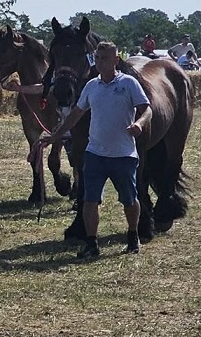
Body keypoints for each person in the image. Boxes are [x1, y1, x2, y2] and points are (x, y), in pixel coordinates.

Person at [40, 41, 149, 258]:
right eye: (97, 58)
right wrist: (55, 135)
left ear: (115, 60)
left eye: (105, 58)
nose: (100, 62)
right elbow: (76, 114)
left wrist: (140, 123)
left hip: (123, 154)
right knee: (90, 200)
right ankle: (92, 243)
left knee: (129, 199)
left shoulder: (128, 84)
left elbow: (146, 109)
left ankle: (132, 234)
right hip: (95, 154)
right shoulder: (91, 86)